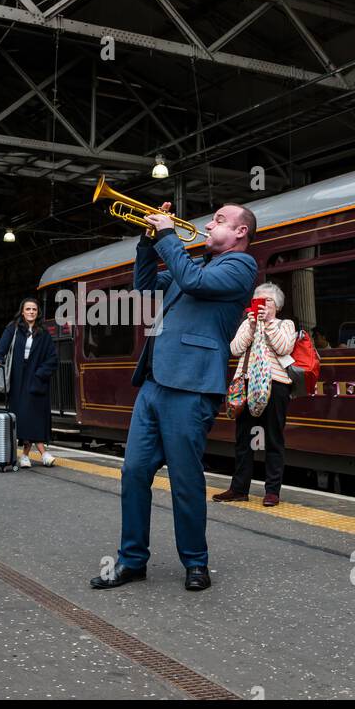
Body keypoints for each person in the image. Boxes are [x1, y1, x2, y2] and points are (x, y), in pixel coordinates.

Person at [91, 203, 258, 592]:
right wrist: (148, 243)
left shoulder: (239, 267)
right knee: (134, 472)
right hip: (154, 383)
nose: (208, 222)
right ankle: (132, 560)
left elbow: (195, 283)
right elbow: (145, 287)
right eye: (212, 216)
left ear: (240, 234)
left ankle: (196, 563)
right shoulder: (191, 268)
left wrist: (167, 234)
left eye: (219, 219)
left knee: (184, 480)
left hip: (192, 385)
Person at [213, 282, 296, 508]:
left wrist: (268, 324)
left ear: (277, 306)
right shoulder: (246, 324)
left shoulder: (285, 324)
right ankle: (239, 489)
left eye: (268, 300)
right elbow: (235, 349)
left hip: (275, 384)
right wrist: (250, 327)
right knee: (243, 440)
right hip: (247, 384)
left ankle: (272, 491)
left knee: (273, 439)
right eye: (259, 300)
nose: (263, 304)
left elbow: (284, 347)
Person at [0, 296, 59, 468]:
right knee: (24, 416)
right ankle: (41, 454)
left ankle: (27, 455)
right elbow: (1, 348)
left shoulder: (43, 333)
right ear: (22, 311)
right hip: (18, 378)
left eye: (34, 309)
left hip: (36, 379)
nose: (31, 312)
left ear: (38, 313)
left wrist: (40, 373)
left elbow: (53, 358)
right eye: (28, 309)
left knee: (34, 417)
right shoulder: (12, 329)